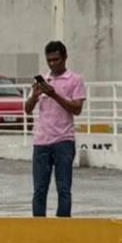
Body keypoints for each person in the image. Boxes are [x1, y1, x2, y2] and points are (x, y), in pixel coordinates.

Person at [24, 41, 85, 217]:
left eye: (56, 60)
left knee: (64, 189)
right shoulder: (44, 81)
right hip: (41, 141)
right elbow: (27, 110)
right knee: (39, 190)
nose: (52, 64)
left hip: (63, 141)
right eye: (49, 60)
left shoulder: (75, 80)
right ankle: (38, 226)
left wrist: (54, 95)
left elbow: (77, 109)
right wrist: (35, 96)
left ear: (64, 58)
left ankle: (63, 226)